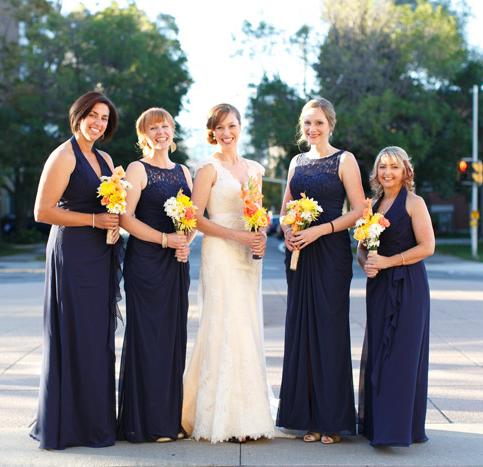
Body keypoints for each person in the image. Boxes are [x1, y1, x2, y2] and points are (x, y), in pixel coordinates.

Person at [30, 91, 123, 450]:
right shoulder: (63, 155)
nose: (98, 123)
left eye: (104, 119)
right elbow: (43, 211)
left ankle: (95, 423)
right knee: (74, 333)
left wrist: (112, 224)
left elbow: (111, 205)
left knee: (97, 337)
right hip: (73, 253)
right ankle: (66, 424)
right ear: (79, 116)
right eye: (93, 116)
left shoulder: (104, 157)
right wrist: (95, 220)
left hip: (101, 253)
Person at [181, 103, 278, 444]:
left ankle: (249, 415)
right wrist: (237, 235)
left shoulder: (254, 169)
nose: (226, 133)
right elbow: (194, 218)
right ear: (212, 131)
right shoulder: (207, 168)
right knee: (224, 324)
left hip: (248, 257)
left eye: (232, 126)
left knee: (246, 326)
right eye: (220, 127)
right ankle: (221, 417)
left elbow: (257, 214)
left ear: (241, 127)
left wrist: (260, 235)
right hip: (220, 253)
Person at [276, 97, 366, 444]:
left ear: (330, 124)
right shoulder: (296, 162)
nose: (312, 129)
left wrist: (320, 229)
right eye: (307, 124)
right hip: (299, 255)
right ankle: (308, 419)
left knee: (328, 331)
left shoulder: (344, 160)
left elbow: (358, 210)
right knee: (301, 331)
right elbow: (284, 209)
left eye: (318, 123)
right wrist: (289, 229)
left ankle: (332, 420)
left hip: (330, 254)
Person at [117, 108, 193, 443]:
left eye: (165, 126)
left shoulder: (184, 172)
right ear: (143, 135)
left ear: (172, 131)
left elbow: (191, 218)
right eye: (153, 128)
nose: (160, 132)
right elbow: (125, 218)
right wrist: (164, 239)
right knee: (149, 339)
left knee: (173, 339)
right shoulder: (138, 168)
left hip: (176, 263)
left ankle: (169, 418)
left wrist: (185, 242)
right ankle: (146, 422)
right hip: (146, 264)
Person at [357, 146, 434, 446]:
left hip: (409, 285)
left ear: (405, 172)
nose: (387, 172)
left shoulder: (415, 203)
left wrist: (389, 261)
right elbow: (362, 248)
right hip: (378, 287)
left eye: (394, 167)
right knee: (379, 353)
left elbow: (427, 246)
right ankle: (379, 426)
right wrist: (367, 265)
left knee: (402, 355)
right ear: (376, 172)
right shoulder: (372, 206)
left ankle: (400, 430)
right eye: (382, 167)